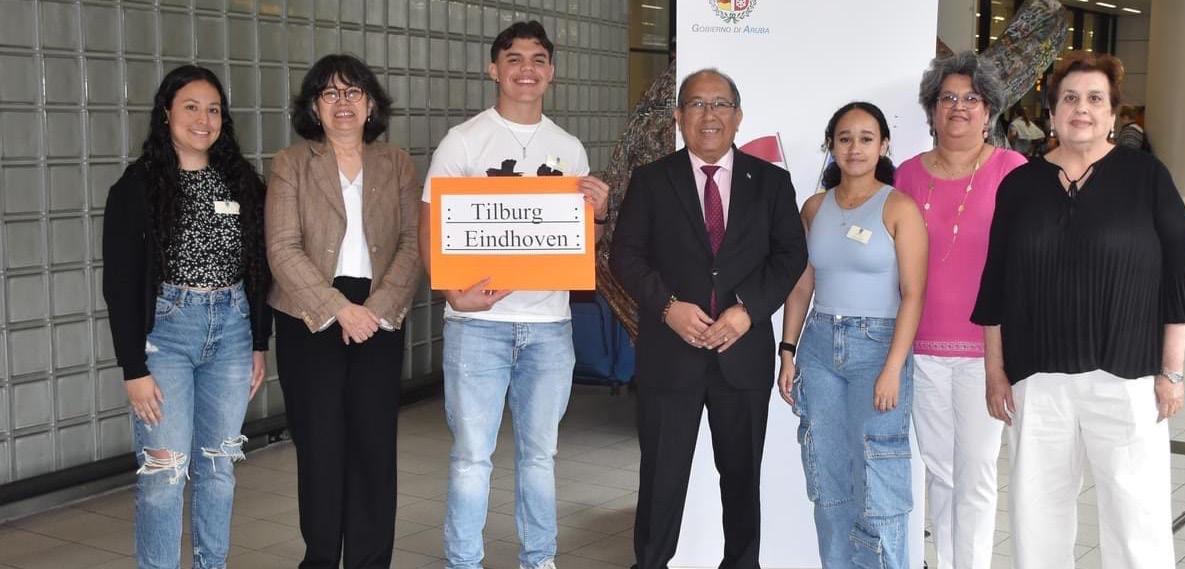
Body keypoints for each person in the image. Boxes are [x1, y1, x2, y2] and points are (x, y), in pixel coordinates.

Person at [972, 52, 1185, 569]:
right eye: (1070, 98)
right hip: (1038, 377)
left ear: (1113, 112)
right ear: (1052, 112)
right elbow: (996, 285)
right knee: (1037, 510)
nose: (1082, 108)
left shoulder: (1147, 177)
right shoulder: (1020, 186)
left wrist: (1172, 372)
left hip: (1126, 374)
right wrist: (994, 370)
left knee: (1136, 512)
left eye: (1095, 98)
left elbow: (1179, 280)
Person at [416, 21, 609, 569]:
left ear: (552, 71)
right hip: (478, 326)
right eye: (515, 59)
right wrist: (451, 294)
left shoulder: (569, 148)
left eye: (538, 59)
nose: (527, 69)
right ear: (494, 69)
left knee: (540, 456)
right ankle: (463, 562)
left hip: (549, 327)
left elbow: (578, 245)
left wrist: (597, 215)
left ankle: (539, 559)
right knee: (471, 457)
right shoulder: (464, 141)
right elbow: (430, 225)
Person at [611, 68, 808, 569]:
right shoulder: (652, 180)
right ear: (679, 116)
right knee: (661, 478)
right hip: (670, 356)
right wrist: (667, 307)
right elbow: (625, 257)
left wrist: (748, 311)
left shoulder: (771, 182)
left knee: (742, 479)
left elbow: (790, 256)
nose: (709, 115)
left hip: (742, 355)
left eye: (720, 104)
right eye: (697, 104)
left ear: (738, 117)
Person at [102, 64, 270, 569]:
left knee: (219, 469)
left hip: (232, 331)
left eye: (213, 109)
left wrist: (259, 342)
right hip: (166, 337)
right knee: (164, 471)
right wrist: (133, 368)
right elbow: (120, 285)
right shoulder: (136, 187)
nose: (204, 119)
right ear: (166, 114)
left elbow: (260, 267)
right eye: (191, 107)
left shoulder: (242, 182)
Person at [266, 54, 421, 568]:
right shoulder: (291, 163)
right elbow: (282, 248)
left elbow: (413, 243)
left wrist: (375, 309)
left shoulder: (396, 162)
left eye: (353, 91)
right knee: (321, 448)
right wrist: (340, 309)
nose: (343, 102)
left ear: (371, 103)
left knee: (374, 448)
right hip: (308, 316)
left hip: (380, 313)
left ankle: (370, 561)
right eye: (329, 93)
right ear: (314, 106)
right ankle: (320, 559)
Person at [776, 102, 927, 568]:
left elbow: (913, 295)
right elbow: (801, 286)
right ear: (831, 146)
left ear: (883, 146)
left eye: (866, 138)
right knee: (828, 481)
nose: (855, 148)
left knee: (879, 481)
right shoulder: (814, 207)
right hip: (819, 347)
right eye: (844, 138)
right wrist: (788, 351)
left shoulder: (899, 208)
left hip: (878, 349)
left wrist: (892, 369)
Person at [894, 52, 1028, 569]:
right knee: (940, 471)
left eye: (971, 98)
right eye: (947, 97)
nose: (958, 107)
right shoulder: (907, 175)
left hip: (987, 353)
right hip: (922, 348)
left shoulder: (1012, 171)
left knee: (976, 474)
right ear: (931, 109)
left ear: (989, 110)